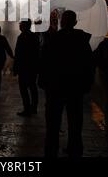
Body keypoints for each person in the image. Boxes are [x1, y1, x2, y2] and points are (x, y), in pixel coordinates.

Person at [39, 11, 94, 157]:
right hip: (75, 88)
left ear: (61, 22)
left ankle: (51, 151)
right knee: (75, 123)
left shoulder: (52, 40)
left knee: (52, 124)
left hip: (55, 87)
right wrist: (87, 85)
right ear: (75, 23)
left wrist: (43, 82)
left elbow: (44, 63)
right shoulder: (82, 41)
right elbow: (89, 65)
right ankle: (75, 149)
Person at [13, 19, 40, 117]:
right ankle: (34, 107)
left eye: (20, 24)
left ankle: (27, 109)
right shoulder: (34, 37)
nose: (19, 25)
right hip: (32, 67)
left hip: (24, 68)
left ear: (24, 25)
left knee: (24, 89)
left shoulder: (22, 37)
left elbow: (18, 54)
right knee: (33, 88)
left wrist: (15, 68)